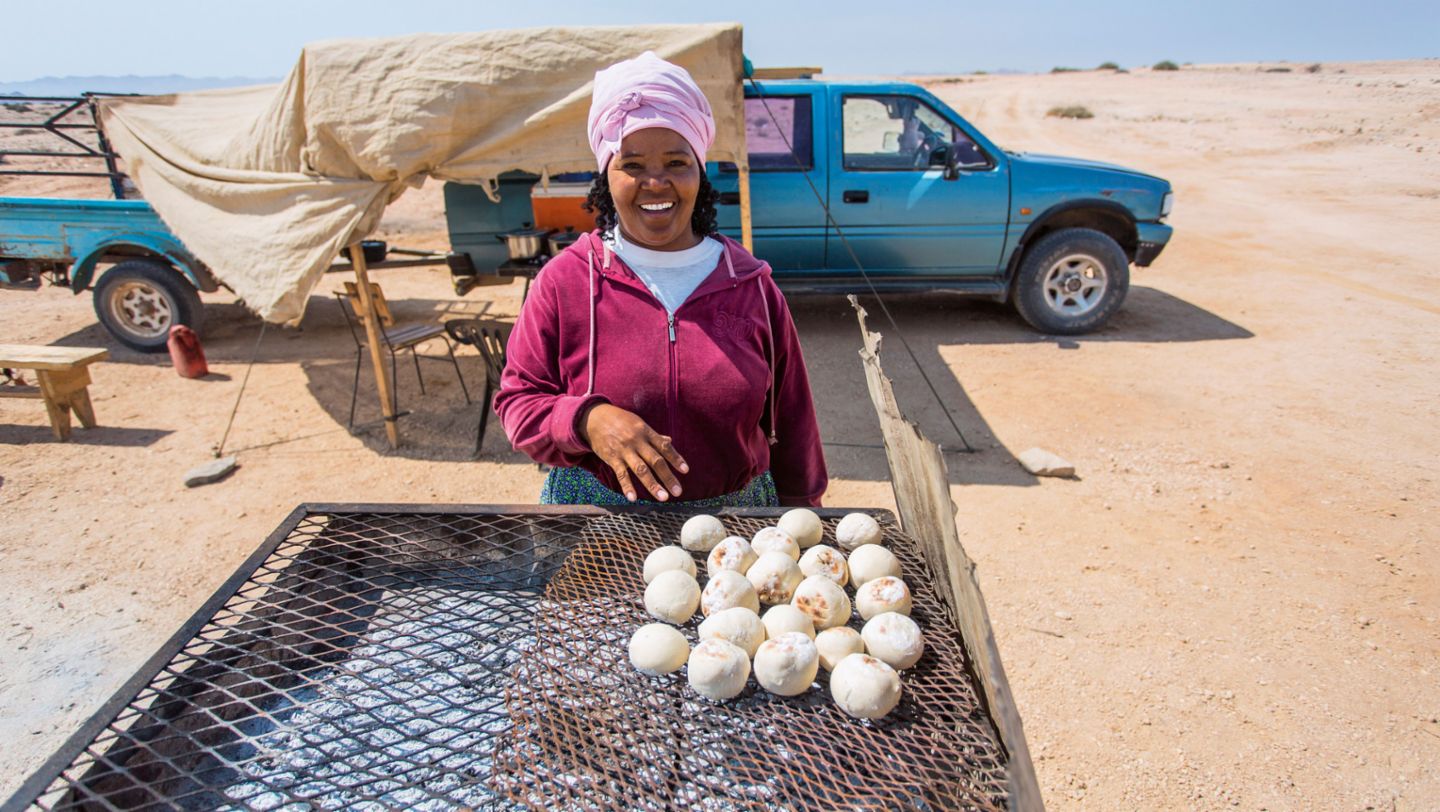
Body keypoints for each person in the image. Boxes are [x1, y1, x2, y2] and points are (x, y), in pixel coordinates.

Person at [494, 52, 827, 508]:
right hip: (595, 522)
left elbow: (793, 420)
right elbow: (518, 403)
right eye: (632, 165)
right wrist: (587, 420)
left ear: (700, 172)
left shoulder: (751, 285)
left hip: (736, 528)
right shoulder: (566, 281)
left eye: (676, 162)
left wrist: (805, 513)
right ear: (605, 176)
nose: (655, 182)